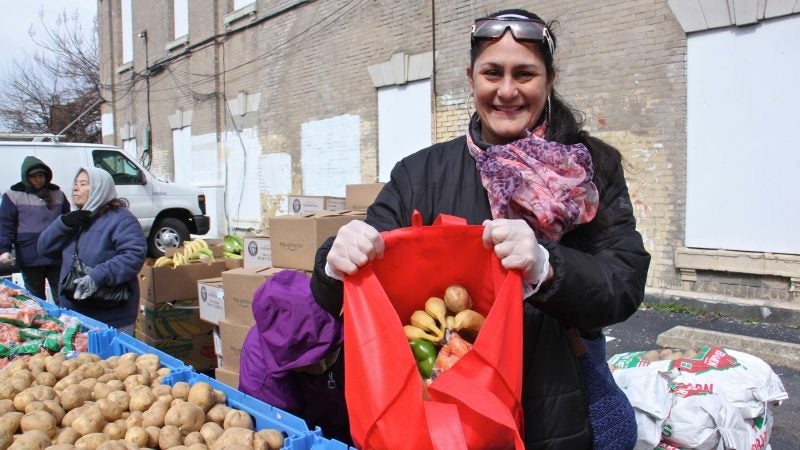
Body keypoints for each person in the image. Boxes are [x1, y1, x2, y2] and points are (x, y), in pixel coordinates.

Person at [310, 9, 650, 449]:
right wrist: (334, 261)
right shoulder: (420, 175)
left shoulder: (587, 169)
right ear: (471, 78)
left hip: (556, 409)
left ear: (549, 80)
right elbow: (335, 294)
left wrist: (549, 266)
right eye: (493, 73)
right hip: (450, 414)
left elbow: (623, 284)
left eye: (524, 73)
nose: (507, 91)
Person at [238, 270, 351, 444]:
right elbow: (279, 439)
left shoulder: (340, 329)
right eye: (308, 363)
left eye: (327, 354)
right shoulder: (261, 379)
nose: (322, 366)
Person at [38, 166, 146, 333]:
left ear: (99, 189)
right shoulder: (76, 218)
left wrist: (97, 276)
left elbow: (133, 256)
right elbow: (44, 248)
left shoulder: (121, 219)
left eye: (83, 184)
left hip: (111, 317)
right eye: (76, 183)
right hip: (74, 314)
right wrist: (64, 224)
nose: (75, 188)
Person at [0, 156, 70, 300]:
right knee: (36, 299)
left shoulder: (58, 194)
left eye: (41, 175)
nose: (38, 179)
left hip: (56, 255)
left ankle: (64, 322)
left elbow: (68, 222)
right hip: (30, 255)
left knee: (62, 297)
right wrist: (4, 250)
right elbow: (6, 224)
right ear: (26, 177)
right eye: (33, 176)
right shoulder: (13, 195)